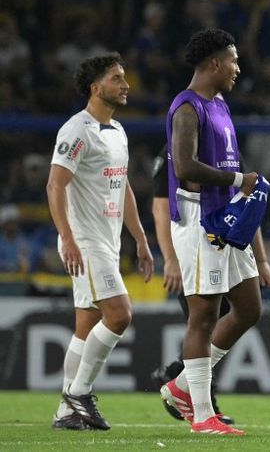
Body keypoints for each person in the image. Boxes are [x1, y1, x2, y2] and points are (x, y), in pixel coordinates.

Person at [159, 28, 270, 436]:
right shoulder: (187, 108)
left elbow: (232, 164)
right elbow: (185, 168)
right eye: (233, 60)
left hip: (227, 216)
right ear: (213, 64)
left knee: (249, 308)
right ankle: (203, 416)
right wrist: (238, 178)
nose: (238, 68)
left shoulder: (219, 103)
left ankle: (182, 386)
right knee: (203, 315)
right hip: (198, 221)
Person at [48, 53, 154, 431]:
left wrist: (140, 237)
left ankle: (65, 413)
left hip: (107, 241)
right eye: (116, 78)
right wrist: (67, 237)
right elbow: (55, 184)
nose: (125, 85)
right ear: (95, 88)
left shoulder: (117, 131)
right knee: (121, 314)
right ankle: (79, 393)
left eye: (123, 78)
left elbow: (121, 184)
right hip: (85, 240)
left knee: (86, 325)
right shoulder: (77, 130)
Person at [149, 143, 234, 425]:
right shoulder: (174, 148)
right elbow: (161, 206)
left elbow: (240, 197)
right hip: (194, 239)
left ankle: (179, 376)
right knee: (202, 320)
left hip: (222, 239)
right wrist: (170, 259)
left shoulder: (225, 137)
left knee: (231, 314)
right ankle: (203, 407)